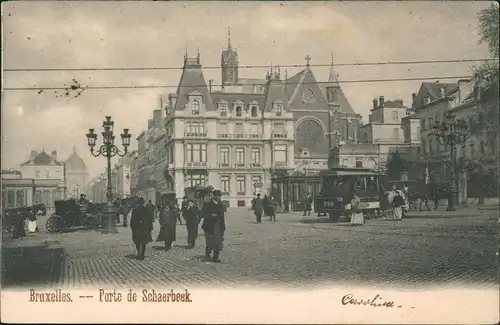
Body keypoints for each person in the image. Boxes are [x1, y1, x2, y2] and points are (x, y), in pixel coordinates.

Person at [201, 190, 226, 262]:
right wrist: (211, 216)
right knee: (210, 242)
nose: (219, 197)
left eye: (220, 196)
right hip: (209, 226)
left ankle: (216, 257)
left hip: (218, 225)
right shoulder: (208, 204)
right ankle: (208, 254)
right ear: (214, 196)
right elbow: (202, 214)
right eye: (218, 196)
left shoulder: (220, 204)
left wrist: (223, 227)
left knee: (218, 242)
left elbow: (222, 216)